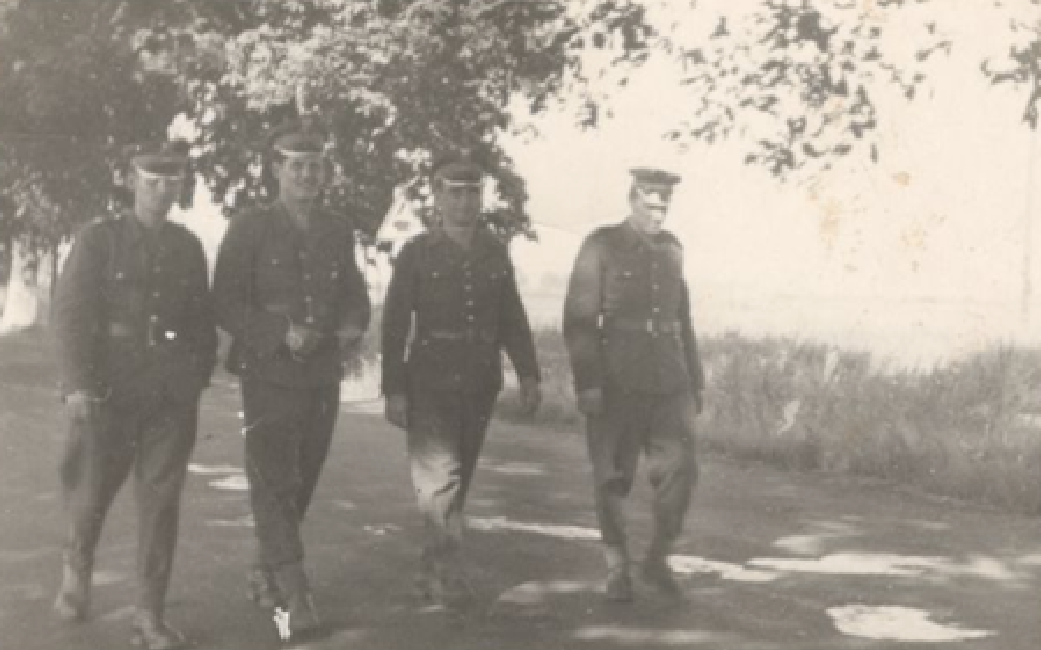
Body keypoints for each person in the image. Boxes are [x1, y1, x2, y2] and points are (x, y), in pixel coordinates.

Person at [52, 141, 217, 650]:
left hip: (168, 395)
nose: (162, 192)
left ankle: (149, 615)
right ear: (131, 182)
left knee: (161, 502)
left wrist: (195, 377)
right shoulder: (98, 240)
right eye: (152, 181)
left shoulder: (187, 247)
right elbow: (71, 315)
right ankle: (78, 566)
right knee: (91, 495)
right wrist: (78, 384)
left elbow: (200, 321)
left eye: (172, 183)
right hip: (108, 389)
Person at [211, 118, 370, 641]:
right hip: (269, 372)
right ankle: (294, 592)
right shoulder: (249, 227)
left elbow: (354, 294)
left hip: (322, 374)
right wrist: (279, 333)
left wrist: (351, 326)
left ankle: (265, 566)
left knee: (301, 478)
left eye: (315, 166)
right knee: (273, 478)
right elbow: (226, 302)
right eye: (296, 166)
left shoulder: (337, 229)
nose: (307, 175)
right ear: (275, 170)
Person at [381, 152, 542, 606]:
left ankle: (433, 565)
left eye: (473, 194)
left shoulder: (494, 251)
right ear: (437, 198)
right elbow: (394, 325)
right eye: (455, 194)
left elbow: (512, 317)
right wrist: (394, 389)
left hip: (479, 377)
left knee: (459, 476)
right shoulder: (416, 253)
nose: (465, 203)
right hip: (428, 378)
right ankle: (450, 573)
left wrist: (528, 373)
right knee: (439, 478)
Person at [562, 167, 705, 603]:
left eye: (664, 204)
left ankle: (657, 559)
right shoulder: (601, 245)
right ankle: (616, 564)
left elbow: (682, 319)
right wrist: (589, 382)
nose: (658, 212)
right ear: (632, 199)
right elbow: (579, 319)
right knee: (612, 475)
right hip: (616, 378)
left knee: (681, 471)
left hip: (668, 378)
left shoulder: (672, 249)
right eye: (650, 203)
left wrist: (695, 380)